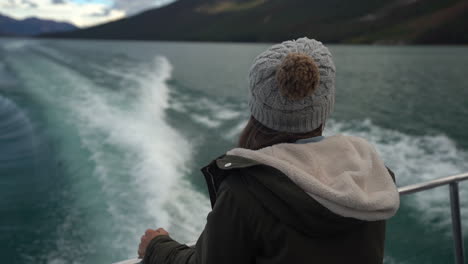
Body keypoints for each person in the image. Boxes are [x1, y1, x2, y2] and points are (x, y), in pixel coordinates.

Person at [138, 37, 400, 264]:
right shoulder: (374, 178)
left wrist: (157, 247)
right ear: (325, 105)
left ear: (258, 107)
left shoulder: (246, 192)